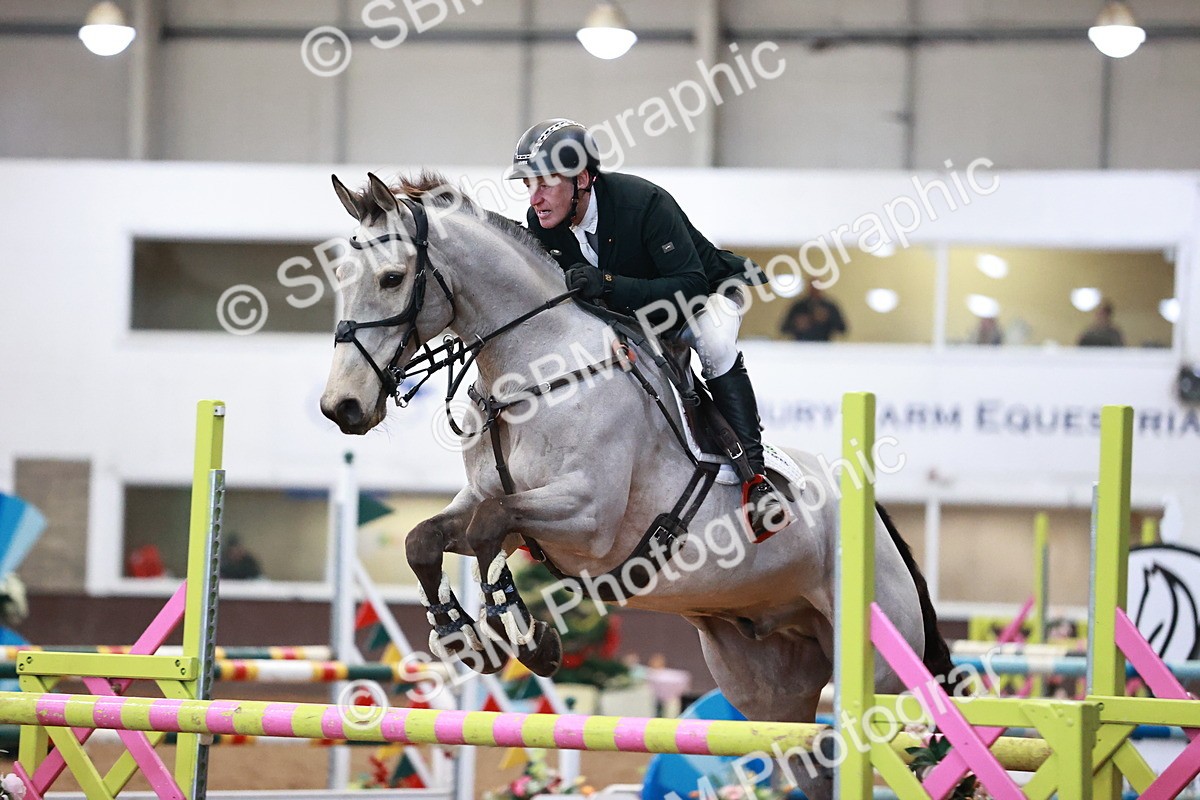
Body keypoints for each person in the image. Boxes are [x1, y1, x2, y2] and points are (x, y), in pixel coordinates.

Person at [505, 118, 786, 539]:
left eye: (545, 183)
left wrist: (608, 285)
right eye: (529, 184)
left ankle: (756, 481)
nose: (535, 198)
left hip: (700, 299)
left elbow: (690, 286)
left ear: (582, 179)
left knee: (714, 344)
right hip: (628, 315)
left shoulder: (644, 202)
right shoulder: (542, 221)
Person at [779, 283, 847, 341]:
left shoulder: (829, 306)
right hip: (801, 346)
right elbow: (784, 328)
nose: (815, 289)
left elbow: (842, 329)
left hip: (824, 347)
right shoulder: (798, 306)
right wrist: (797, 324)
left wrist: (827, 318)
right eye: (813, 286)